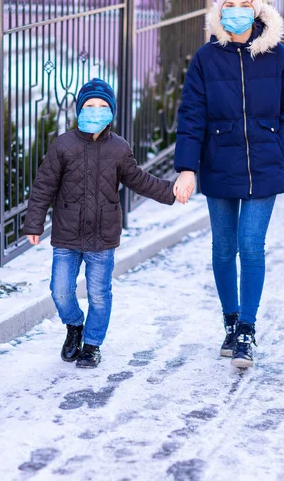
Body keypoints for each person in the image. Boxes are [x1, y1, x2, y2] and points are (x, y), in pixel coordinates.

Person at [173, 0, 284, 368]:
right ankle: (230, 321)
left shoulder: (278, 56)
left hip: (265, 165)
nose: (234, 13)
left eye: (241, 5)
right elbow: (191, 115)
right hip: (219, 164)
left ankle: (247, 328)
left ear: (256, 6)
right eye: (226, 6)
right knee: (222, 247)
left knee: (250, 244)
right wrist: (187, 168)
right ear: (219, 10)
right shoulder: (205, 58)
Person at [23, 79, 175, 368]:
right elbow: (43, 186)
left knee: (99, 294)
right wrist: (34, 223)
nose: (95, 111)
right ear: (79, 109)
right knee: (60, 290)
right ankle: (74, 326)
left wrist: (170, 191)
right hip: (67, 234)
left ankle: (92, 344)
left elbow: (139, 180)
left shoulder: (119, 148)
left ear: (112, 113)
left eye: (102, 106)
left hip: (102, 237)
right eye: (89, 106)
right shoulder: (63, 145)